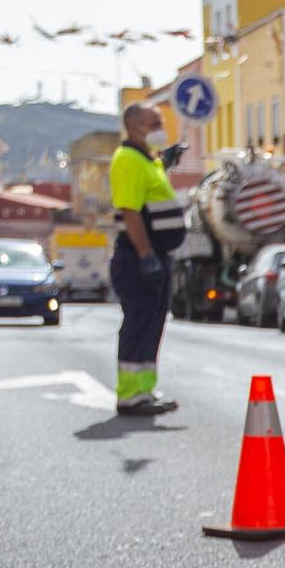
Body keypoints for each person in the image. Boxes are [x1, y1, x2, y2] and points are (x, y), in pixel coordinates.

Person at [108, 103, 187, 415]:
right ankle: (129, 394)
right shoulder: (127, 159)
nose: (160, 129)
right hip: (139, 257)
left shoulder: (147, 160)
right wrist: (146, 256)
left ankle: (144, 390)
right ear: (134, 125)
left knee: (153, 325)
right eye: (154, 123)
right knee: (139, 323)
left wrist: (164, 162)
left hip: (156, 256)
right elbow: (131, 212)